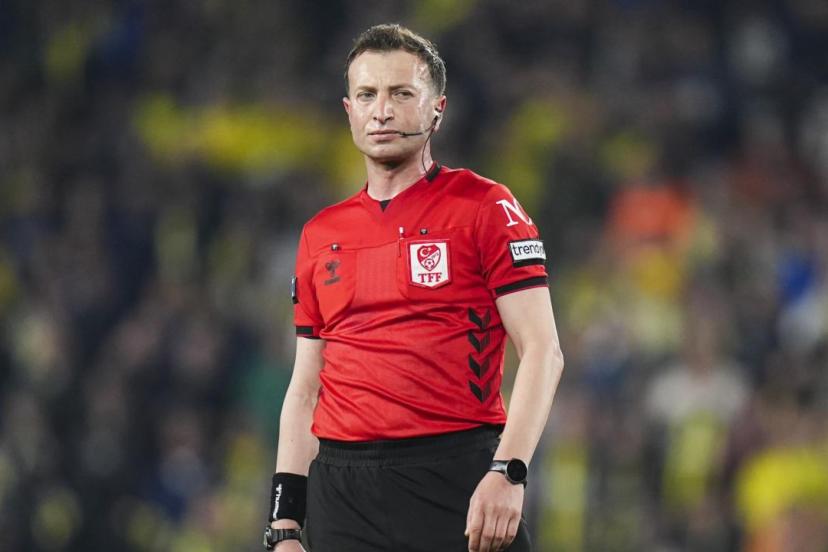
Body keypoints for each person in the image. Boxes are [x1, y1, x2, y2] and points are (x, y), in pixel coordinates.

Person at [263, 24, 564, 552]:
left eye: (401, 94)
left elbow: (543, 350)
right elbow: (306, 386)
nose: (382, 111)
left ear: (437, 110)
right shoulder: (320, 234)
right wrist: (284, 524)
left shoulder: (485, 207)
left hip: (455, 476)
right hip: (343, 492)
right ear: (349, 111)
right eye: (367, 95)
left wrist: (509, 471)